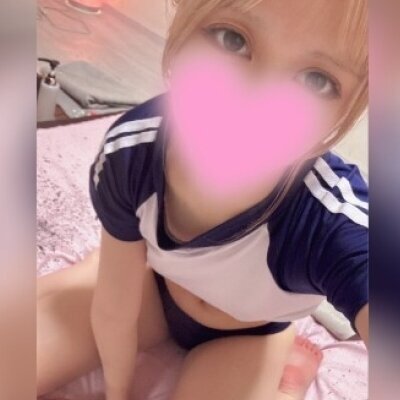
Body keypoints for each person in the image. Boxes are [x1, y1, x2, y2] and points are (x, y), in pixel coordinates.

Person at [37, 1, 368, 399]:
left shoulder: (329, 219)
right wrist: (116, 393)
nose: (254, 100)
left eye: (317, 80)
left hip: (249, 335)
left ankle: (287, 383)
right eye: (233, 39)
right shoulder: (131, 153)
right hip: (157, 288)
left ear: (350, 108)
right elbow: (113, 310)